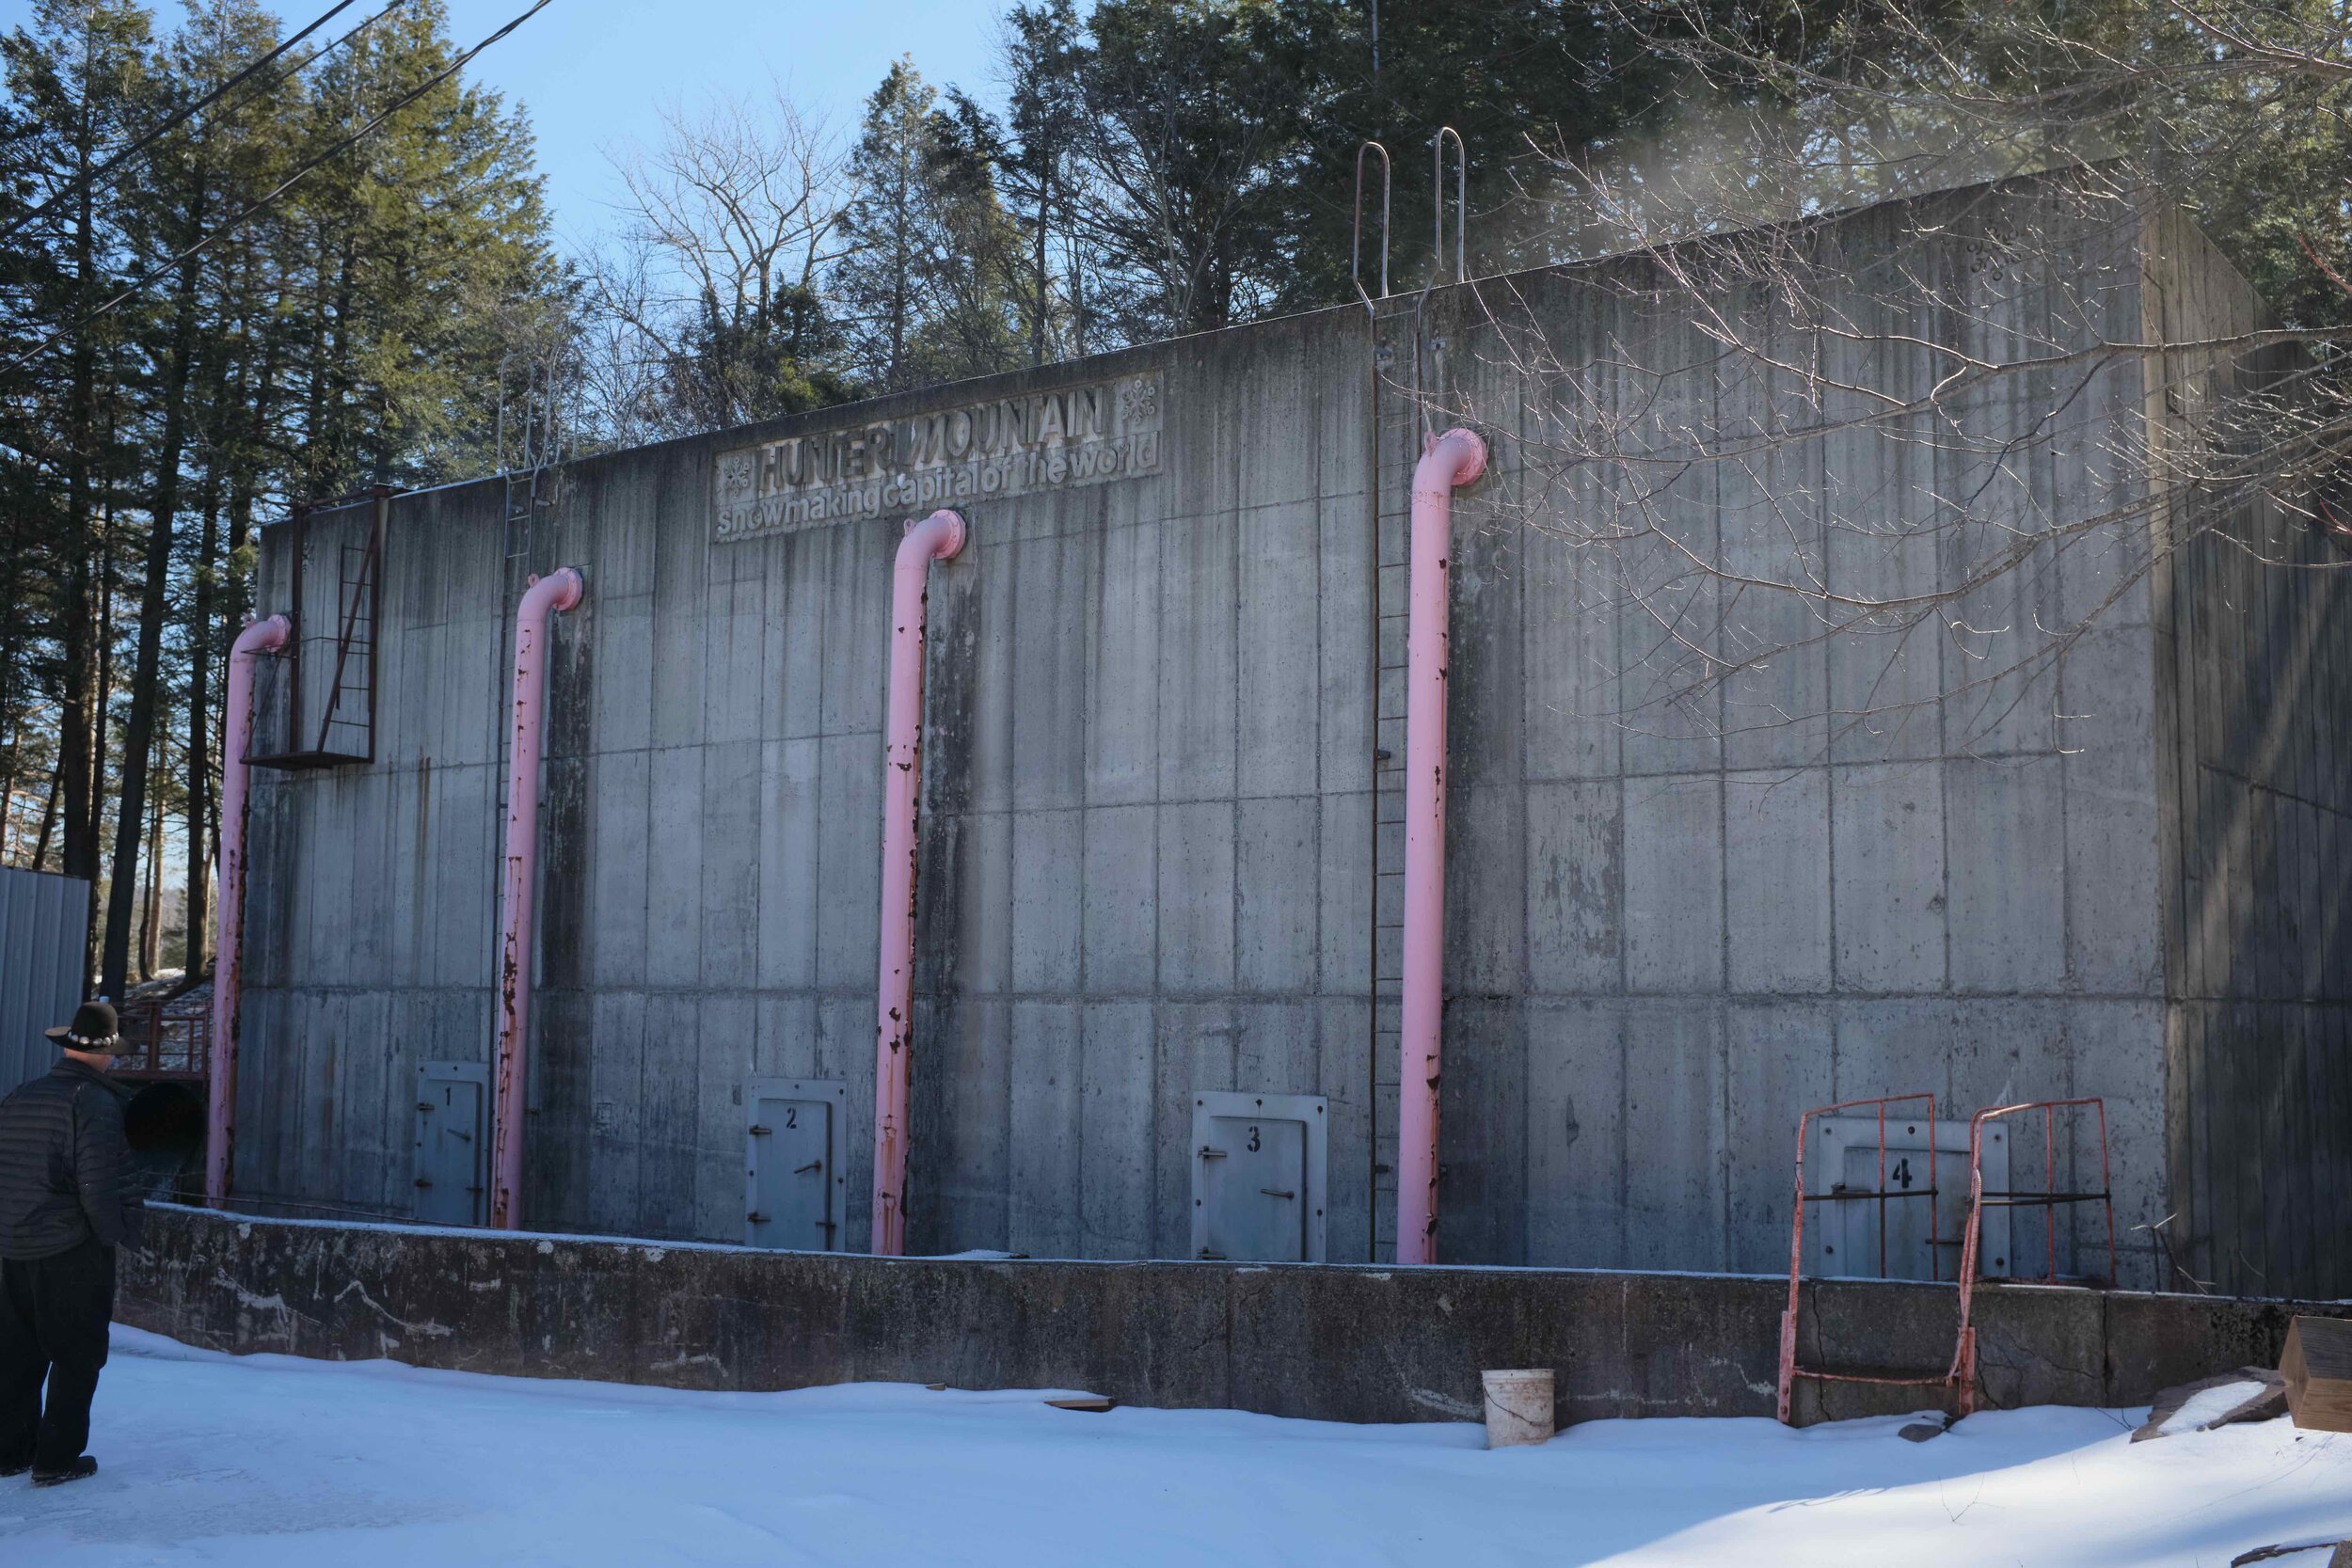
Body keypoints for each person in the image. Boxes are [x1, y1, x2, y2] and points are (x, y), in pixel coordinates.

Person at [0, 999, 142, 1488]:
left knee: (17, 1352)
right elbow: (97, 1185)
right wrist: (113, 1236)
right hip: (69, 1248)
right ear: (108, 1054)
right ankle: (57, 1458)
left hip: (14, 1244)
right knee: (77, 1353)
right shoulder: (94, 1102)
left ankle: (9, 1451)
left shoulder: (22, 1095)